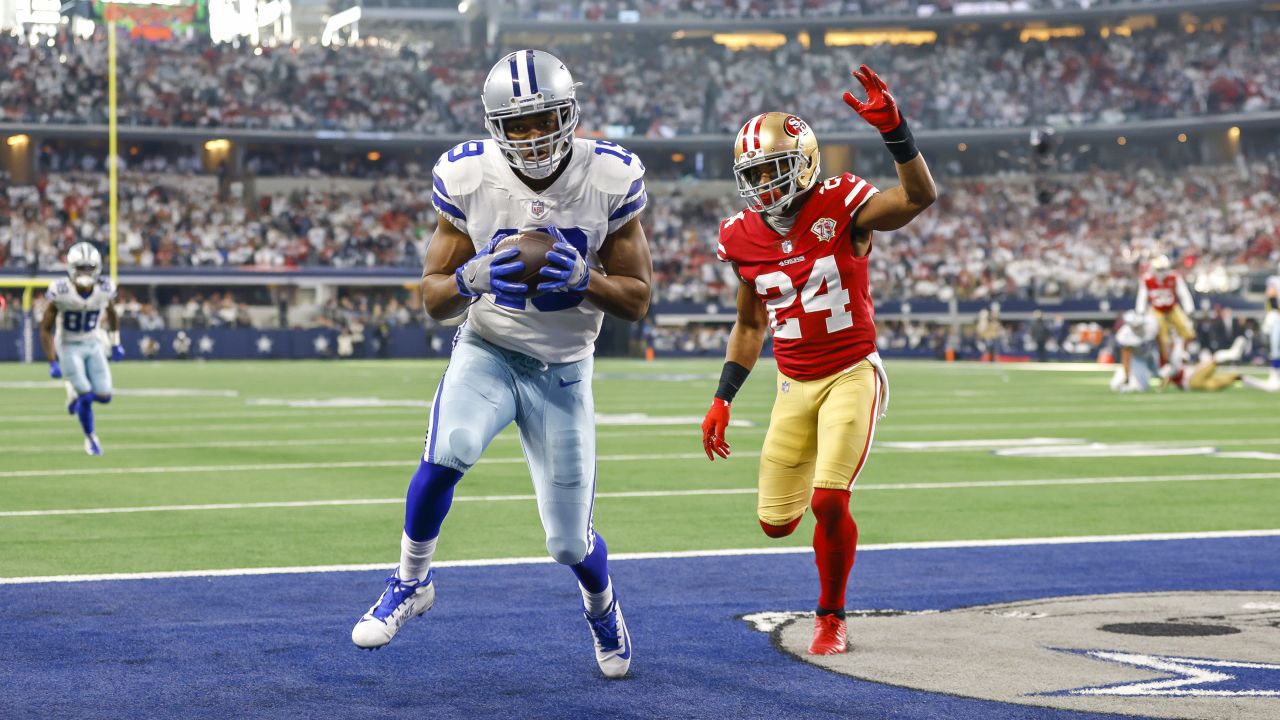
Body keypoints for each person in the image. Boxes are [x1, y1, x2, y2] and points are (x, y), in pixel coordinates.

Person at [351, 50, 652, 679]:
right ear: (496, 127)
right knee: (448, 448)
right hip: (488, 348)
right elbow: (433, 298)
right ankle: (411, 580)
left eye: (546, 120)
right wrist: (470, 275)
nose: (536, 136)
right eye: (520, 125)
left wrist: (588, 280)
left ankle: (602, 607)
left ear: (570, 116)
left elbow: (639, 300)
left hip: (564, 366)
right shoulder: (469, 176)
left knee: (568, 541)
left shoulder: (609, 176)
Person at [699, 65, 936, 655]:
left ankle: (831, 616)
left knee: (830, 500)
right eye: (752, 174)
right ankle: (817, 481)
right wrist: (722, 399)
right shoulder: (739, 236)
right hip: (792, 383)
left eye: (773, 169)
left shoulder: (842, 203)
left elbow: (917, 197)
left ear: (804, 164)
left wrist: (897, 132)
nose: (762, 184)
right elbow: (751, 322)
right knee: (776, 523)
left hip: (852, 371)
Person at [39, 242, 125, 456]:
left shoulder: (104, 288)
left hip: (93, 342)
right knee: (87, 395)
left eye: (89, 268)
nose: (85, 273)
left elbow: (113, 315)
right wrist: (52, 361)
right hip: (69, 345)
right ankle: (91, 438)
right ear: (71, 268)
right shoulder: (61, 291)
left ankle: (74, 396)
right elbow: (46, 328)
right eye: (81, 268)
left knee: (105, 396)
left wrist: (115, 342)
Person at [1135, 254, 1195, 368]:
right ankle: (1165, 361)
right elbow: (1142, 296)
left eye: (1163, 269)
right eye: (1159, 269)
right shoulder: (1147, 279)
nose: (1161, 272)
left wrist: (1189, 308)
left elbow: (1183, 293)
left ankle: (1182, 352)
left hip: (1172, 307)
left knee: (1187, 330)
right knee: (1162, 336)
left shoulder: (1174, 276)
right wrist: (1140, 312)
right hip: (1156, 310)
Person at [1262, 266, 1280, 390]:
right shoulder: (1274, 281)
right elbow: (1270, 295)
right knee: (1275, 347)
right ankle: (1274, 375)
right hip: (1278, 316)